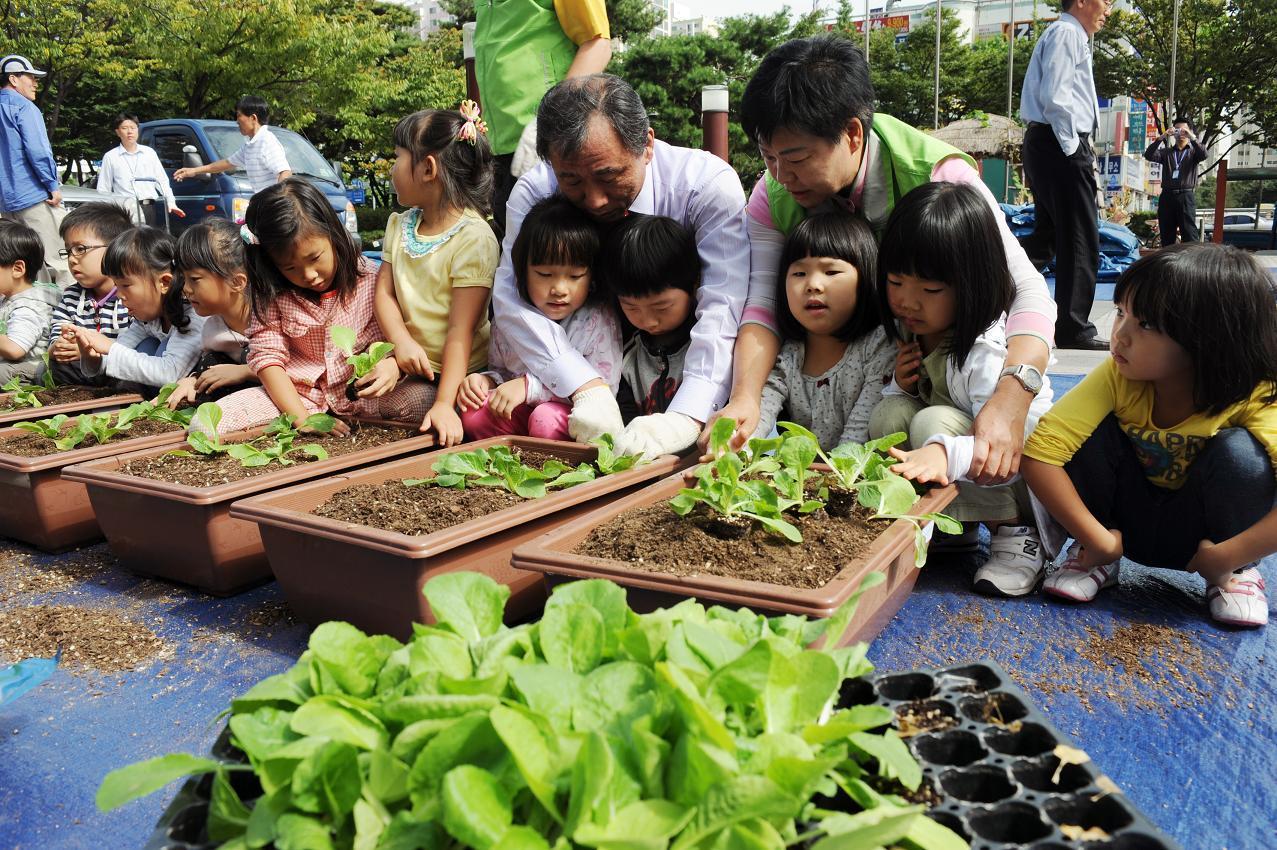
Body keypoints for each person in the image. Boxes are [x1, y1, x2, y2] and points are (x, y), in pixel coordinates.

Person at [724, 35, 1056, 489]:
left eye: (796, 157)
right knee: (888, 418)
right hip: (890, 378)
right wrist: (744, 399)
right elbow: (760, 304)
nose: (781, 176)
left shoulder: (940, 176)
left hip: (960, 374)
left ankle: (1011, 527)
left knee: (936, 425)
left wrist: (1010, 398)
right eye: (768, 158)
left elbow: (1028, 291)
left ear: (853, 133)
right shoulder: (771, 195)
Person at [494, 74, 748, 460]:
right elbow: (513, 298)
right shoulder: (535, 191)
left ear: (646, 144)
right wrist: (586, 386)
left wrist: (686, 414)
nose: (594, 200)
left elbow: (724, 305)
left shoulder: (705, 186)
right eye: (572, 181)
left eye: (609, 177)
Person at [1023, 244, 1277, 628]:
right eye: (1122, 313)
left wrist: (1227, 555)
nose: (1119, 336)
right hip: (1122, 532)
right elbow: (1041, 454)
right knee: (1086, 434)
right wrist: (1097, 539)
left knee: (1242, 455)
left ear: (1209, 340)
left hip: (1210, 544)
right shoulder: (1119, 375)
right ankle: (1098, 561)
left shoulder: (1255, 392)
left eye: (1146, 325)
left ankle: (1237, 575)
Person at [869, 182, 1056, 597]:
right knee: (890, 415)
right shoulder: (914, 331)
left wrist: (940, 452)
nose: (907, 302)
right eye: (896, 282)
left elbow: (1004, 445)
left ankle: (1016, 535)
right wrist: (899, 385)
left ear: (972, 283)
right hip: (967, 461)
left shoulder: (986, 349)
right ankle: (952, 525)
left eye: (930, 290)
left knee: (931, 421)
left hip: (1020, 476)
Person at [208, 178, 435, 436]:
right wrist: (302, 419)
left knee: (425, 401)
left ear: (333, 234)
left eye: (315, 258)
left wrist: (392, 366)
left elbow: (394, 340)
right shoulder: (273, 294)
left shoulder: (372, 281)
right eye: (290, 268)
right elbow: (268, 358)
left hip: (366, 398)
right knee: (209, 423)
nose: (310, 275)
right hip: (298, 397)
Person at [372, 106, 499, 447]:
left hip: (458, 372)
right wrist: (401, 344)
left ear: (427, 168)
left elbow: (462, 330)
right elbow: (383, 294)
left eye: (398, 157)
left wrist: (444, 403)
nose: (392, 168)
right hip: (410, 359)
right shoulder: (400, 225)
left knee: (400, 409)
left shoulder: (473, 238)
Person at [459, 195, 619, 441]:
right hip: (522, 413)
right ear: (522, 272)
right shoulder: (511, 317)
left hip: (564, 414)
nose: (559, 289)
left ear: (591, 276)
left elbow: (602, 390)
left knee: (544, 418)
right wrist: (485, 382)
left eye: (575, 276)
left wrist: (528, 388)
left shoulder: (597, 320)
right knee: (474, 411)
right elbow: (502, 371)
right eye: (545, 274)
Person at [751, 213, 893, 450]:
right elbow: (761, 410)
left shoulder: (878, 346)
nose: (813, 285)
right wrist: (738, 449)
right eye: (799, 273)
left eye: (831, 272)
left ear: (866, 278)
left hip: (858, 475)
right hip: (805, 480)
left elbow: (856, 437)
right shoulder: (789, 354)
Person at [1019, 0, 1111, 351]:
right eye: (1106, 1)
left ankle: (988, 289)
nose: (1109, 10)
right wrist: (1074, 151)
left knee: (1049, 235)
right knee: (1080, 236)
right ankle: (1072, 327)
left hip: (1051, 142)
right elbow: (1056, 98)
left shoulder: (1070, 35)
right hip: (1060, 143)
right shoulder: (1067, 34)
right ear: (1083, 1)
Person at [474, 0, 611, 233]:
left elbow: (597, 43)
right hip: (503, 150)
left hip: (553, 142)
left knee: (561, 248)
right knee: (518, 249)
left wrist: (552, 119)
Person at [70, 227, 206, 393]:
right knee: (146, 346)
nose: (119, 295)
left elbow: (170, 373)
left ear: (164, 283)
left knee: (159, 347)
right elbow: (119, 354)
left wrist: (110, 348)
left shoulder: (193, 316)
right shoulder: (147, 319)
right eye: (116, 285)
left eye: (126, 285)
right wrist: (92, 356)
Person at [607, 214, 700, 426]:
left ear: (695, 285)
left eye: (662, 307)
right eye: (631, 307)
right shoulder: (626, 357)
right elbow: (624, 418)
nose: (649, 321)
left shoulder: (707, 348)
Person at [165, 219, 257, 408]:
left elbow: (300, 368)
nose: (186, 289)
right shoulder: (212, 328)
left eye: (195, 279)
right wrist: (193, 380)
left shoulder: (271, 318)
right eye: (184, 278)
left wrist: (245, 372)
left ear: (237, 282)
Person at [45, 202, 135, 386]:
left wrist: (91, 352)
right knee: (51, 368)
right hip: (83, 369)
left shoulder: (131, 294)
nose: (72, 259)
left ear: (115, 249)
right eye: (68, 251)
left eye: (80, 249)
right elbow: (58, 330)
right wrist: (59, 346)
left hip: (119, 365)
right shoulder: (72, 296)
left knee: (129, 377)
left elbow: (137, 345)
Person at [0, 55, 68, 285]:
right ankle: (73, 314)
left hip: (5, 204)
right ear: (13, 79)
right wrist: (52, 185)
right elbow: (38, 151)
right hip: (33, 197)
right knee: (60, 259)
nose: (35, 82)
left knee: (21, 264)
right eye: (30, 77)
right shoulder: (24, 107)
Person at [173, 96, 291, 196]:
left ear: (253, 118)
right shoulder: (250, 145)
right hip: (262, 205)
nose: (237, 121)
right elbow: (226, 163)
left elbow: (285, 172)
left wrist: (278, 201)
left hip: (270, 207)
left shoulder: (267, 141)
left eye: (239, 116)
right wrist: (193, 171)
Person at [96, 113, 185, 230]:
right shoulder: (111, 156)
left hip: (148, 207)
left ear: (137, 129)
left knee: (147, 244)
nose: (129, 132)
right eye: (124, 128)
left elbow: (162, 180)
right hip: (124, 210)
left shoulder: (149, 153)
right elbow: (103, 189)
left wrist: (171, 202)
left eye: (133, 128)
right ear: (117, 132)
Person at [0, 220, 60, 383]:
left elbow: (15, 349)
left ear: (18, 269)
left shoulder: (29, 305)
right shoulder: (8, 296)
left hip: (30, 370)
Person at [1144, 118, 1207, 246]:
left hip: (1185, 196)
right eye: (1177, 130)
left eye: (1184, 130)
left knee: (1189, 233)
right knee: (1167, 234)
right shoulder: (1166, 153)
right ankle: (1168, 264)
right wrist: (1163, 136)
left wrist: (1192, 137)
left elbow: (1204, 154)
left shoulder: (1193, 152)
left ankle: (1190, 263)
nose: (1181, 134)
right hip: (1167, 196)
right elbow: (1149, 155)